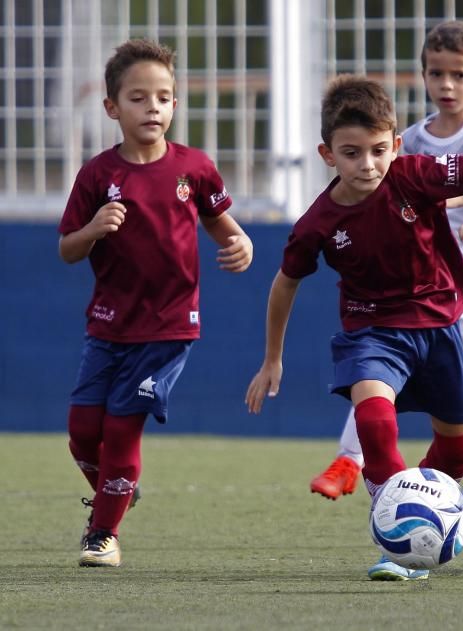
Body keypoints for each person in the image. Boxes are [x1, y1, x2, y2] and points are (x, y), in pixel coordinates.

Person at [244, 75, 463, 581]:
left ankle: (426, 521)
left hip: (436, 328)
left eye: (378, 150)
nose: (367, 164)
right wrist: (272, 358)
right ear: (327, 154)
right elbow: (284, 285)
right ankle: (395, 536)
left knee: (460, 450)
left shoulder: (413, 175)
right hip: (372, 332)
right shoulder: (317, 223)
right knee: (374, 419)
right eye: (351, 153)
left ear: (396, 144)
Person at [308, 21, 463, 543]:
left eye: (459, 74)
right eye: (436, 73)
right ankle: (353, 461)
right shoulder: (407, 139)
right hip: (434, 285)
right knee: (384, 374)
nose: (447, 84)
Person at [58, 39, 253, 568]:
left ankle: (103, 533)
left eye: (163, 98)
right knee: (82, 434)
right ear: (112, 108)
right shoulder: (98, 176)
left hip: (168, 327)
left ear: (174, 104)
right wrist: (94, 228)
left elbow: (217, 219)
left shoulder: (194, 167)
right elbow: (67, 248)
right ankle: (116, 490)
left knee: (121, 429)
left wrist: (241, 242)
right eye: (139, 98)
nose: (153, 108)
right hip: (106, 326)